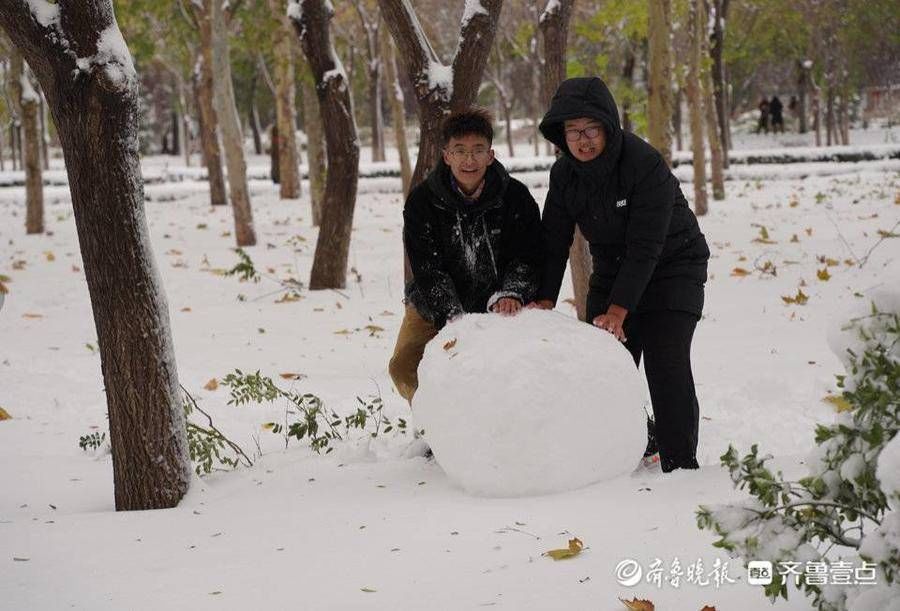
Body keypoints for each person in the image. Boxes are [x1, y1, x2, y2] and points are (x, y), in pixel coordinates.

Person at [529, 77, 710, 473]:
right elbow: (554, 241)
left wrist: (618, 310)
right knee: (605, 366)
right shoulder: (564, 177)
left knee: (666, 361)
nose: (583, 140)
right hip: (612, 270)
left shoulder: (643, 164)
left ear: (608, 127)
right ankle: (632, 445)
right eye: (573, 132)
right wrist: (543, 296)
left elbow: (647, 247)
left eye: (591, 129)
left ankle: (680, 466)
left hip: (673, 266)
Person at [389, 108, 543, 403]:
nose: (468, 160)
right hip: (434, 303)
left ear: (491, 155)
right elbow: (427, 268)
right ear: (447, 156)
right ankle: (434, 425)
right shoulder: (422, 202)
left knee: (501, 371)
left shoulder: (516, 198)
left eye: (477, 150)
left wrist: (512, 292)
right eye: (459, 151)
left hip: (499, 303)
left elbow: (528, 254)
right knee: (404, 366)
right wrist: (452, 316)